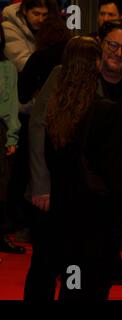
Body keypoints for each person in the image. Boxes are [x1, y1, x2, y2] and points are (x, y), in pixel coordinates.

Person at [27, 19, 122, 300]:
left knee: (93, 276)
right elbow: (37, 128)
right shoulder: (67, 76)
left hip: (101, 203)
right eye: (113, 45)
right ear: (99, 45)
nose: (119, 53)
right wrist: (40, 183)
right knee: (46, 270)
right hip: (57, 194)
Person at [44, 36, 122, 300]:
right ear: (94, 64)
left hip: (64, 214)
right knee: (93, 287)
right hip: (96, 216)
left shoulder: (55, 109)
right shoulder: (105, 110)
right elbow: (114, 171)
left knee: (71, 286)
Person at [0, 22, 24, 254]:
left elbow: (9, 106)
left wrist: (11, 138)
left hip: (0, 130)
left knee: (2, 188)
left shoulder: (7, 67)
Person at [1, 0, 59, 72]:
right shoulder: (8, 28)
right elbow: (21, 63)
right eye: (36, 14)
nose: (41, 20)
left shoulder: (46, 27)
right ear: (24, 10)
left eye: (44, 15)